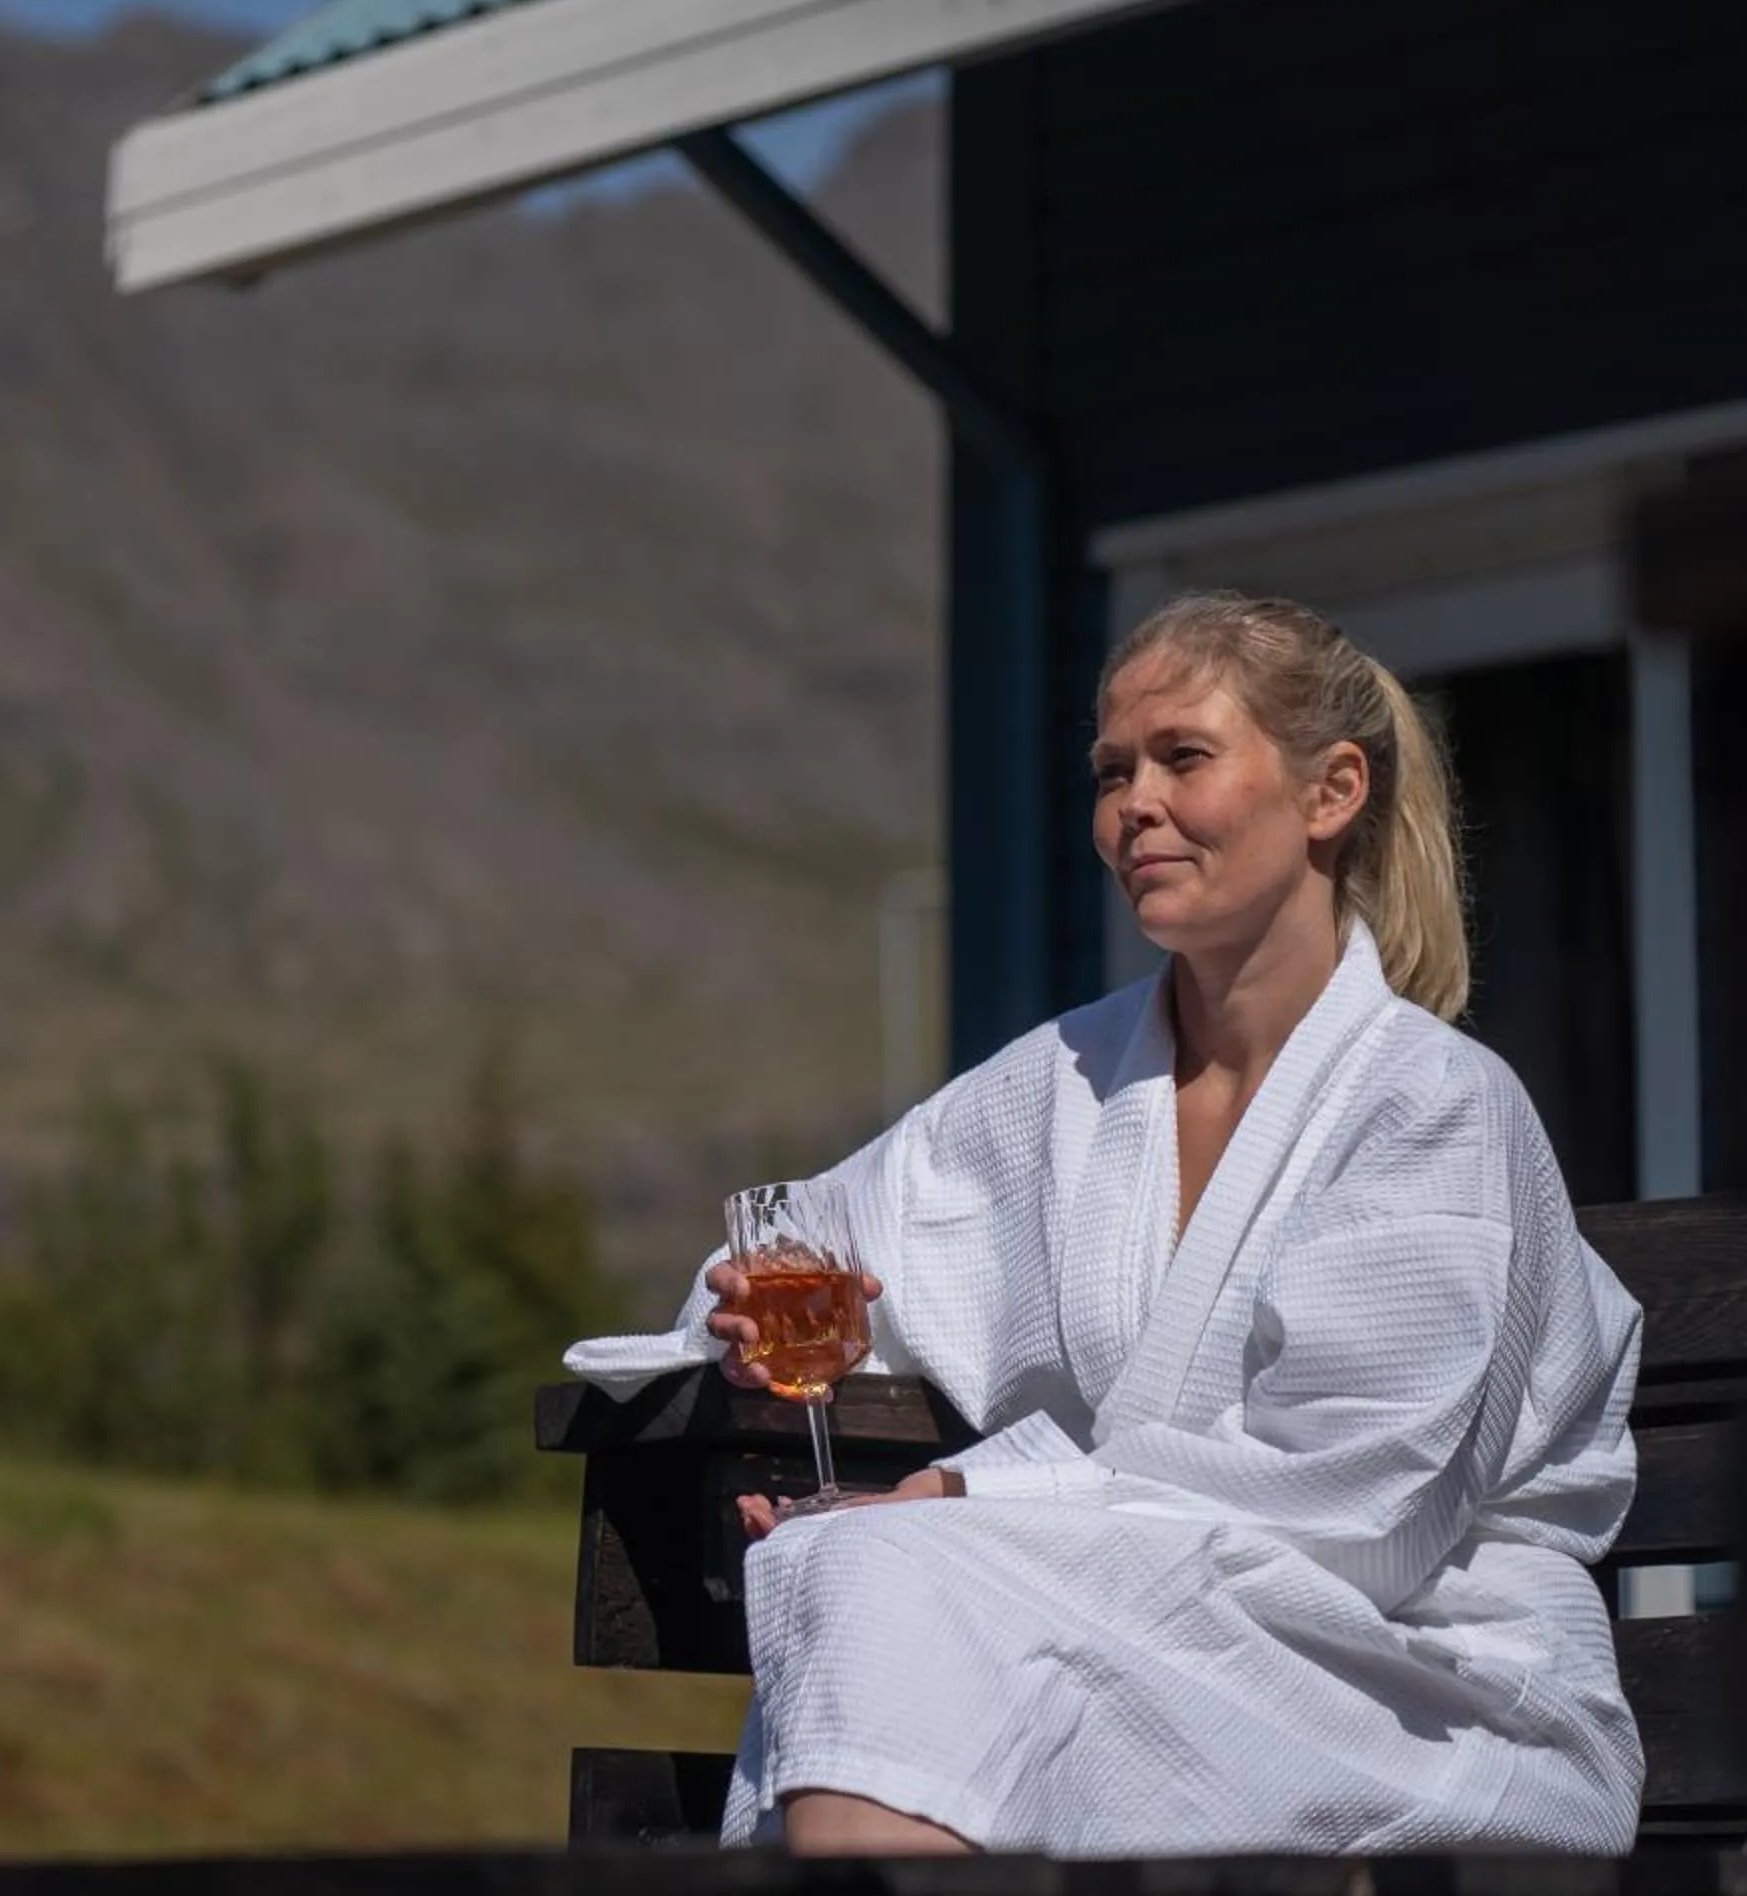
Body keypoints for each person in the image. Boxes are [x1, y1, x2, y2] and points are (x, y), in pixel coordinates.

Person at [567, 591, 1643, 1857]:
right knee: (865, 1569)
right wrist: (769, 1319)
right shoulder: (1070, 1083)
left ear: (1331, 790)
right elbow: (798, 1237)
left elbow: (1367, 1510)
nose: (1133, 805)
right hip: (1165, 1632)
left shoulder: (1435, 1106)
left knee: (885, 1572)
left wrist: (969, 1489)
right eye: (1111, 770)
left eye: (1183, 757)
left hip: (1420, 1683)